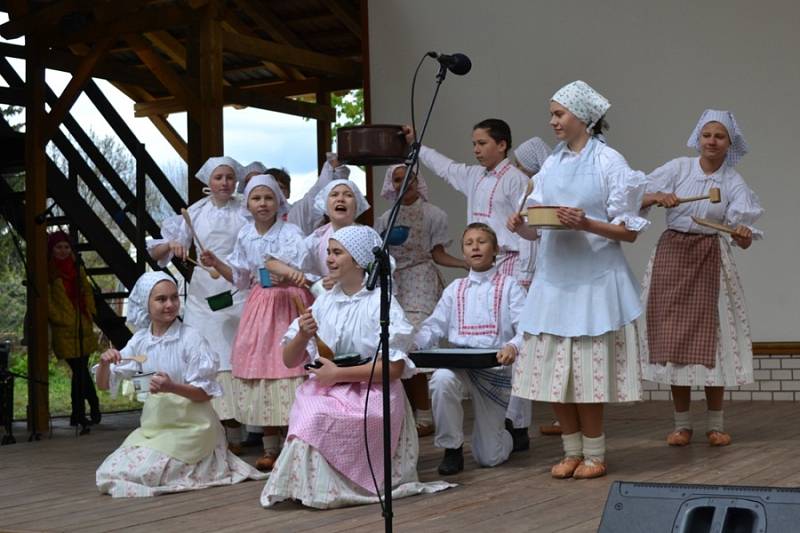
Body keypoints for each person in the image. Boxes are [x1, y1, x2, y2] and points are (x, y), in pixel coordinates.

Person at [508, 80, 648, 479]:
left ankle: (595, 453)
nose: (552, 121)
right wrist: (521, 226)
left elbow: (629, 231)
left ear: (583, 117)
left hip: (593, 282)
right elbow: (538, 227)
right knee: (554, 372)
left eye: (558, 113)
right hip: (553, 281)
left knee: (586, 374)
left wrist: (586, 222)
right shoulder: (552, 164)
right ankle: (570, 450)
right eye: (552, 114)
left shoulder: (609, 162)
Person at [261, 225, 451, 509]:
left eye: (337, 252)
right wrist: (302, 334)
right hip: (328, 389)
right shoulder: (324, 302)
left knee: (320, 416)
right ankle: (314, 485)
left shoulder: (381, 303)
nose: (329, 259)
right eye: (328, 252)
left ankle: (341, 484)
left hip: (371, 391)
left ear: (360, 259)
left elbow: (394, 369)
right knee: (311, 412)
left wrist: (339, 374)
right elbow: (289, 359)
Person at [639, 109, 763, 447]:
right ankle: (681, 425)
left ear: (729, 144)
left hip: (710, 257)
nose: (712, 141)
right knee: (674, 340)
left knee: (714, 340)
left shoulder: (732, 182)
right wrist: (657, 196)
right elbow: (634, 195)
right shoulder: (678, 168)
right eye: (707, 134)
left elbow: (745, 236)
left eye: (719, 136)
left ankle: (715, 424)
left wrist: (741, 233)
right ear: (698, 138)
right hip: (672, 257)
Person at [94, 272, 264, 497]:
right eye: (161, 299)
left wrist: (171, 387)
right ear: (146, 303)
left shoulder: (190, 338)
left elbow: (204, 393)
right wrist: (105, 363)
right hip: (155, 428)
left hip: (192, 426)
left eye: (174, 298)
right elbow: (104, 384)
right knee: (113, 471)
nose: (170, 304)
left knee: (148, 472)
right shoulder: (140, 341)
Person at [200, 174, 312, 471]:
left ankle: (297, 442)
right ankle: (270, 447)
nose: (262, 203)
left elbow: (305, 268)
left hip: (289, 304)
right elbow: (239, 277)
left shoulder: (291, 232)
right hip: (260, 306)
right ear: (247, 203)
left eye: (268, 197)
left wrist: (285, 271)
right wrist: (216, 263)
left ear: (279, 201)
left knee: (290, 368)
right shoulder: (245, 234)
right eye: (256, 198)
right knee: (264, 370)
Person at [147, 156, 249, 452]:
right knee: (207, 356)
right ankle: (213, 429)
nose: (225, 183)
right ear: (208, 181)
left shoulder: (245, 209)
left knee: (237, 356)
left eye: (229, 177)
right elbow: (157, 253)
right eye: (218, 177)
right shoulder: (195, 213)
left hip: (237, 288)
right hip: (204, 294)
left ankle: (241, 428)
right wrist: (173, 245)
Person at [414, 223, 528, 475]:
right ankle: (452, 449)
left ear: (496, 249)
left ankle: (508, 431)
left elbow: (526, 329)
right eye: (469, 243)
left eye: (482, 241)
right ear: (464, 253)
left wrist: (512, 345)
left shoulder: (510, 286)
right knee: (441, 379)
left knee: (489, 457)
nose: (475, 246)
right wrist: (413, 342)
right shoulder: (455, 289)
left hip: (494, 371)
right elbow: (434, 325)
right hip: (460, 367)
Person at [374, 164, 466, 436]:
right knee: (394, 344)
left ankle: (425, 414)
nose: (405, 184)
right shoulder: (385, 218)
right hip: (394, 283)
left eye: (409, 178)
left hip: (422, 280)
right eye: (398, 180)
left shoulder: (433, 214)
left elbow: (437, 254)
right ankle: (402, 414)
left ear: (418, 180)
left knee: (415, 341)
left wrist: (465, 264)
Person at [403, 119, 534, 288]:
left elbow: (530, 229)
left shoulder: (516, 179)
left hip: (510, 262)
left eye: (482, 143)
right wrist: (416, 146)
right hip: (480, 262)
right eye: (474, 144)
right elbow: (445, 167)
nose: (476, 150)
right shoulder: (474, 175)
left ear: (502, 145)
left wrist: (526, 274)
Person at [514, 137, 563, 437]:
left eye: (520, 165)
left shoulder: (546, 188)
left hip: (549, 275)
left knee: (556, 345)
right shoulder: (530, 190)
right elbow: (531, 234)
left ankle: (566, 415)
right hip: (537, 275)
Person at [47, 230, 100, 433]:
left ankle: (78, 414)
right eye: (58, 247)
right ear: (51, 250)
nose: (63, 251)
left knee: (80, 371)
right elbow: (47, 299)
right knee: (79, 370)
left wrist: (89, 309)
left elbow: (86, 289)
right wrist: (60, 317)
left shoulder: (77, 268)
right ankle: (88, 407)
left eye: (66, 247)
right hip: (64, 326)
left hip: (82, 323)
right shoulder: (49, 271)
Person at [302, 178, 370, 288]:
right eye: (334, 194)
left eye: (348, 195)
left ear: (357, 205)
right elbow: (294, 262)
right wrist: (319, 282)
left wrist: (354, 279)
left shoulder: (367, 236)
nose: (340, 199)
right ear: (325, 204)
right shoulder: (318, 237)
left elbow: (385, 267)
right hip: (328, 301)